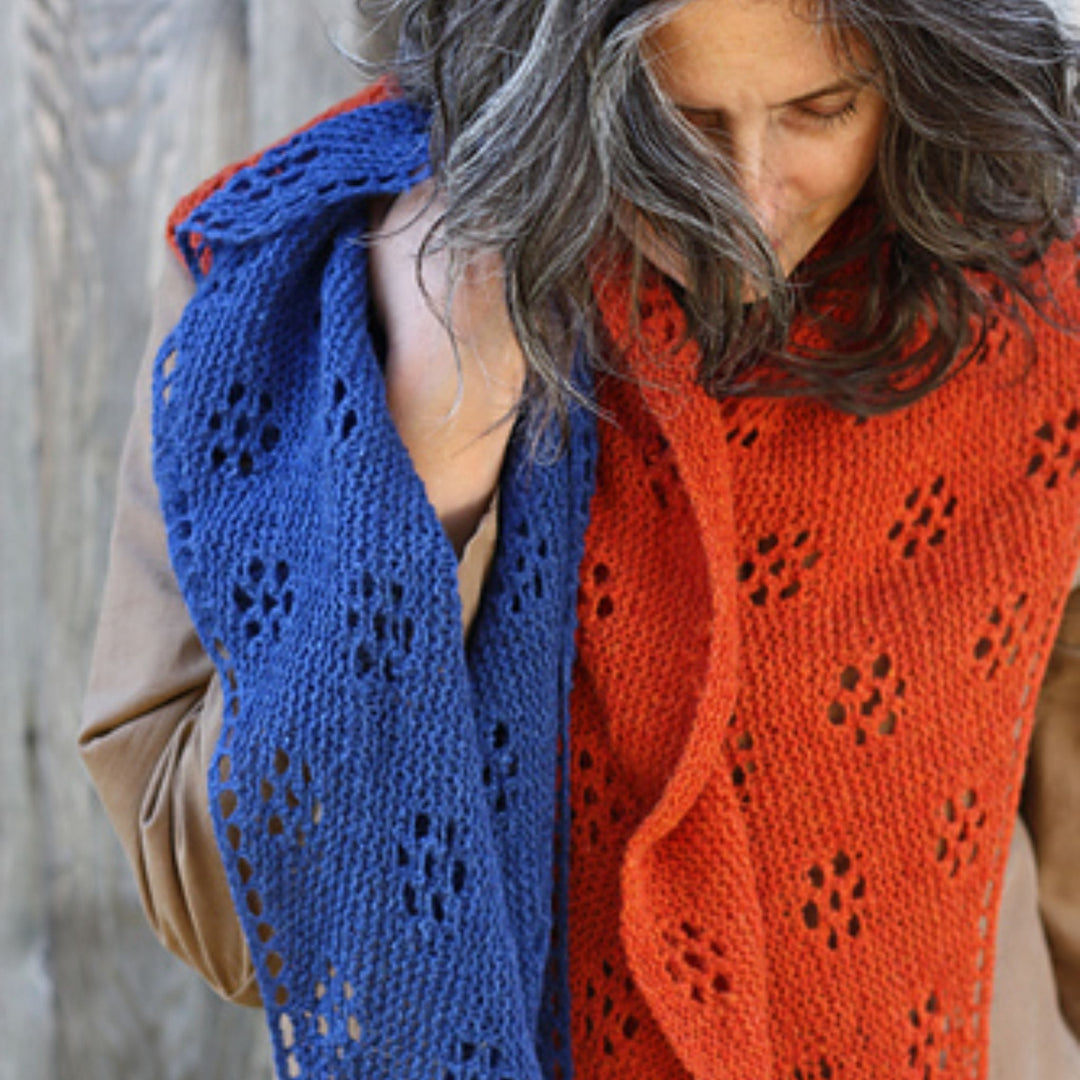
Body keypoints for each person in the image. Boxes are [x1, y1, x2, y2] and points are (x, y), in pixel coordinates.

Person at [80, 0, 1080, 1077]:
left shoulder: (1024, 308)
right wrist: (429, 457)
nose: (748, 201)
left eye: (822, 109)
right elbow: (241, 921)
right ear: (553, 84)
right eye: (682, 127)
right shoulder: (307, 305)